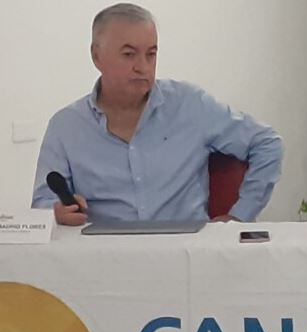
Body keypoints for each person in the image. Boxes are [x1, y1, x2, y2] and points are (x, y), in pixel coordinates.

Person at [32, 3, 282, 225]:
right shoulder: (66, 127)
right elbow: (43, 205)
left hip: (186, 252)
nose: (143, 67)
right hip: (103, 254)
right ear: (96, 56)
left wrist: (240, 217)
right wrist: (57, 214)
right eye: (129, 54)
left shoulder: (190, 105)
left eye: (151, 54)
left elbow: (267, 143)